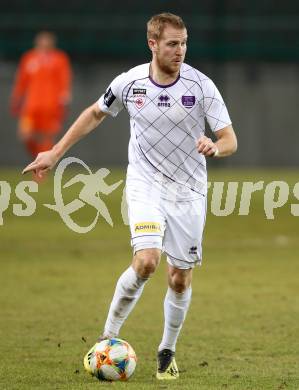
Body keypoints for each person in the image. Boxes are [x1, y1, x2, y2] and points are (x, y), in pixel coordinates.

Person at [23, 13, 237, 380]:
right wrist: (55, 153)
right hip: (145, 185)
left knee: (179, 278)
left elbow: (230, 139)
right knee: (147, 262)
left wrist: (215, 147)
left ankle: (166, 350)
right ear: (152, 43)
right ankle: (107, 339)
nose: (180, 50)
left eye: (184, 42)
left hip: (188, 191)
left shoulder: (202, 86)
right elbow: (94, 113)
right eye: (172, 43)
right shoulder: (130, 83)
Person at [11, 31, 72, 159]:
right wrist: (16, 99)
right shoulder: (28, 58)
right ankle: (37, 157)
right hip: (31, 106)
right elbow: (21, 81)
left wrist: (64, 97)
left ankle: (41, 172)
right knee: (25, 135)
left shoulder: (59, 58)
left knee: (47, 136)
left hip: (50, 105)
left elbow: (64, 79)